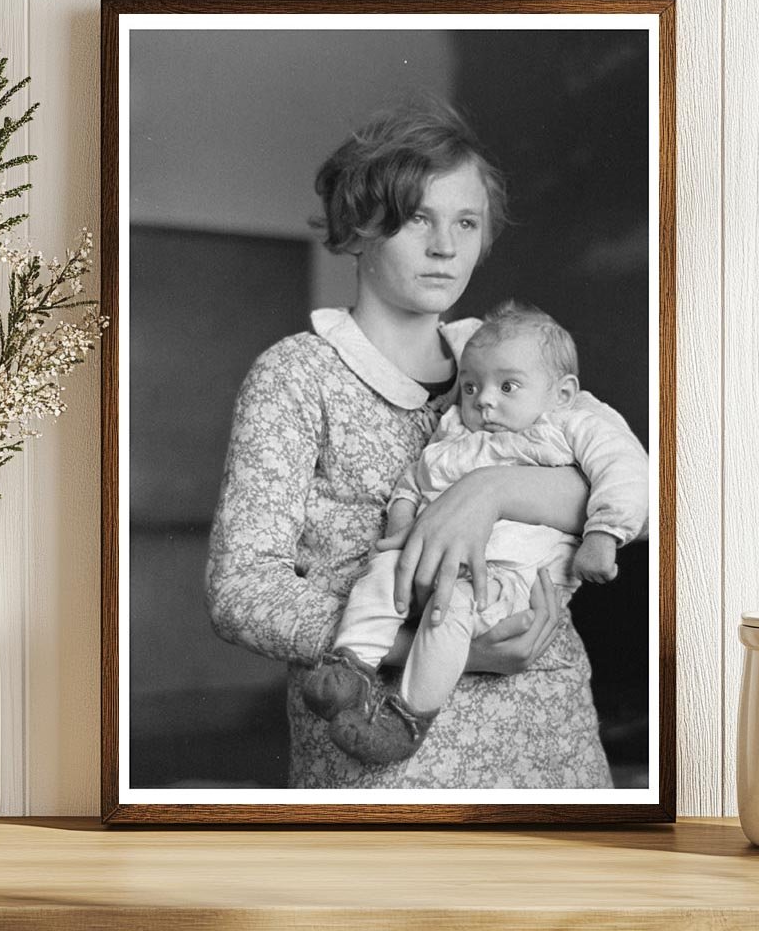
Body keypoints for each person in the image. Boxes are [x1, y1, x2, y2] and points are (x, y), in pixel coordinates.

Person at [206, 101, 639, 789]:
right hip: (391, 761)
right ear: (357, 228)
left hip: (552, 738)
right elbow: (241, 590)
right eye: (418, 219)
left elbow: (612, 475)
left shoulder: (508, 354)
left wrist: (487, 490)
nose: (446, 247)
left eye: (466, 222)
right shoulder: (297, 375)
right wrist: (434, 648)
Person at [302, 301, 649, 765]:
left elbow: (627, 472)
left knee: (452, 609)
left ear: (561, 392)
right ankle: (351, 666)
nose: (484, 399)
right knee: (382, 572)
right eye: (470, 386)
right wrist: (402, 524)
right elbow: (416, 479)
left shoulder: (570, 424)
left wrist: (604, 534)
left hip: (505, 581)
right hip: (428, 561)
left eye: (507, 386)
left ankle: (406, 717)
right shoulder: (457, 434)